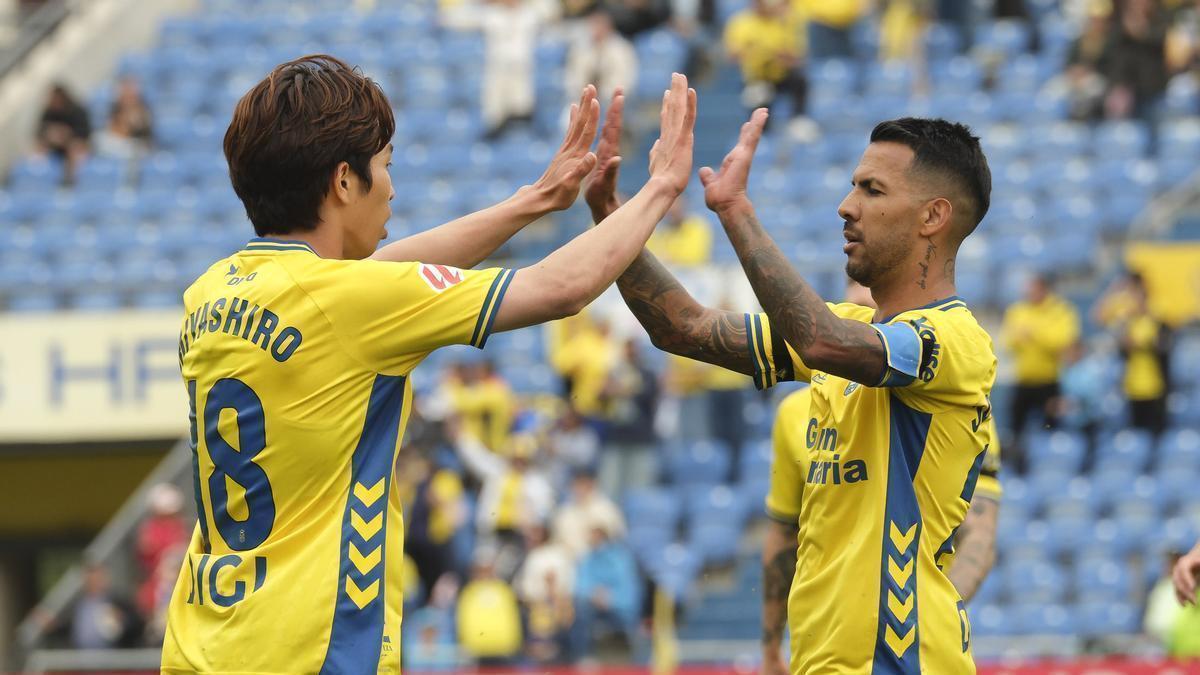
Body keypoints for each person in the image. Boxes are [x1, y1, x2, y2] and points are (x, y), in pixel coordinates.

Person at [161, 56, 697, 673]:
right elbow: (563, 286)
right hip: (308, 653)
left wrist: (535, 202)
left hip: (202, 646)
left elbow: (371, 279)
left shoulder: (211, 293)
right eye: (385, 167)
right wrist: (660, 188)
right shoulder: (349, 304)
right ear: (342, 181)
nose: (391, 187)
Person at [588, 91, 996, 672]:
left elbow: (820, 340)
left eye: (872, 190)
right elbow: (684, 328)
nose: (845, 206)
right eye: (854, 186)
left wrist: (735, 212)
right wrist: (615, 222)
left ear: (933, 216)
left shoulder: (955, 341)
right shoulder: (851, 328)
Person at [759, 282, 1001, 673]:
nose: (856, 312)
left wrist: (918, 608)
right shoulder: (792, 414)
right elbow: (784, 533)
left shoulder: (953, 401)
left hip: (913, 646)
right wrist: (771, 645)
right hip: (819, 654)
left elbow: (981, 533)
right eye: (848, 306)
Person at [1000, 274, 1080, 472]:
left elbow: (1063, 341)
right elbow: (1008, 341)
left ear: (1044, 289)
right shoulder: (1017, 310)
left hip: (1049, 382)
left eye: (1033, 288)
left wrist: (1034, 334)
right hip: (1023, 381)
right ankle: (1018, 468)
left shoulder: (1060, 310)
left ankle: (1054, 467)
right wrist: (1024, 337)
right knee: (1015, 429)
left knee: (1052, 428)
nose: (1028, 293)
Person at [442, 0, 547, 140]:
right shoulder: (492, 14)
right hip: (498, 69)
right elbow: (459, 20)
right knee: (494, 113)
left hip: (522, 69)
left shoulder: (530, 14)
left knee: (522, 106)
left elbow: (553, 13)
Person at [723, 0, 816, 141]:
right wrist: (754, 52)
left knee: (800, 80)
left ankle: (798, 119)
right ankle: (761, 139)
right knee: (759, 108)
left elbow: (797, 57)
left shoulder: (784, 22)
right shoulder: (740, 22)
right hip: (757, 78)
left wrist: (778, 55)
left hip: (781, 74)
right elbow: (732, 56)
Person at [569, 524, 641, 661]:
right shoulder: (587, 559)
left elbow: (630, 592)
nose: (591, 541)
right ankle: (584, 658)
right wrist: (594, 596)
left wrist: (610, 599)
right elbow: (580, 587)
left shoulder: (621, 558)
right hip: (594, 608)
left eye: (595, 537)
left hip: (620, 611)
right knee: (581, 608)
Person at [1115, 274, 1171, 438]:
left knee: (1156, 433)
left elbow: (1163, 347)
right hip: (1133, 386)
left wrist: (1142, 343)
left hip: (1156, 385)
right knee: (1137, 433)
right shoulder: (1128, 324)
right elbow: (1121, 350)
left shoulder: (1158, 322)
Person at [566, 11, 638, 106]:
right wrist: (585, 92)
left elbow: (625, 81)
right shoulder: (580, 48)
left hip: (611, 101)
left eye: (600, 25)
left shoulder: (621, 49)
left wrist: (604, 94)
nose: (596, 29)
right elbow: (572, 77)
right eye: (593, 25)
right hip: (582, 99)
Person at [35, 83, 90, 181]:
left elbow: (84, 132)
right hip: (54, 146)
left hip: (74, 143)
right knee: (39, 148)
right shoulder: (49, 112)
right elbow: (39, 131)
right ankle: (39, 178)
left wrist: (67, 135)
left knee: (75, 148)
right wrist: (51, 135)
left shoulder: (77, 110)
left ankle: (71, 180)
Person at [646, 197, 714, 267]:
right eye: (670, 206)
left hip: (692, 274)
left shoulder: (697, 226)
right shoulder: (659, 230)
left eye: (676, 206)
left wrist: (669, 258)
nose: (673, 210)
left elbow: (695, 257)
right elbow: (650, 254)